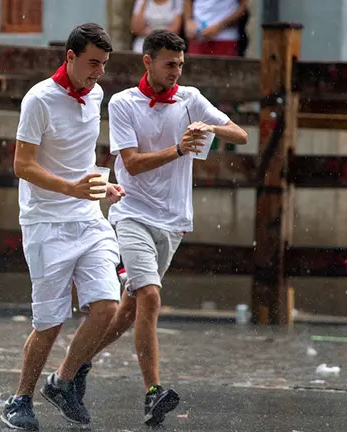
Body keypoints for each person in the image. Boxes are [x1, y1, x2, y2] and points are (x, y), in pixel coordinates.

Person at [74, 29, 248, 427]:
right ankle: (154, 392)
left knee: (129, 309)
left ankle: (74, 368)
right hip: (131, 213)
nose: (176, 72)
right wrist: (179, 149)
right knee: (150, 296)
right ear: (147, 61)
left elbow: (240, 134)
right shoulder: (123, 103)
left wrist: (211, 130)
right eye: (170, 64)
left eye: (181, 65)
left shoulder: (191, 98)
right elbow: (131, 163)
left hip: (173, 222)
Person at [0, 23, 126, 431]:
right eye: (92, 63)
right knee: (49, 323)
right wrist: (70, 188)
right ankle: (20, 399)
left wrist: (101, 185)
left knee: (107, 305)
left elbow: (80, 157)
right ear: (69, 57)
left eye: (104, 64)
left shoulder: (97, 95)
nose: (99, 73)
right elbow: (22, 165)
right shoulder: (39, 99)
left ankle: (64, 380)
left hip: (88, 219)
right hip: (45, 223)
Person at [183, 0, 248, 57]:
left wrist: (219, 27)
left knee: (224, 70)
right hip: (197, 37)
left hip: (225, 38)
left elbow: (243, 7)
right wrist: (188, 21)